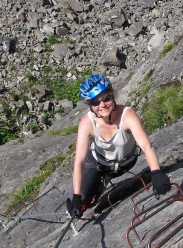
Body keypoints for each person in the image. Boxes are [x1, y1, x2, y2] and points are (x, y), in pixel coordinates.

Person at [66, 74, 171, 218]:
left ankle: (97, 183)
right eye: (95, 102)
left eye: (106, 98)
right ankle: (92, 190)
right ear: (90, 105)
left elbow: (146, 146)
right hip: (98, 161)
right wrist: (77, 197)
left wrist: (156, 173)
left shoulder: (127, 115)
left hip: (125, 162)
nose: (102, 105)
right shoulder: (87, 122)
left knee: (85, 192)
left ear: (113, 96)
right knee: (74, 202)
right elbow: (79, 161)